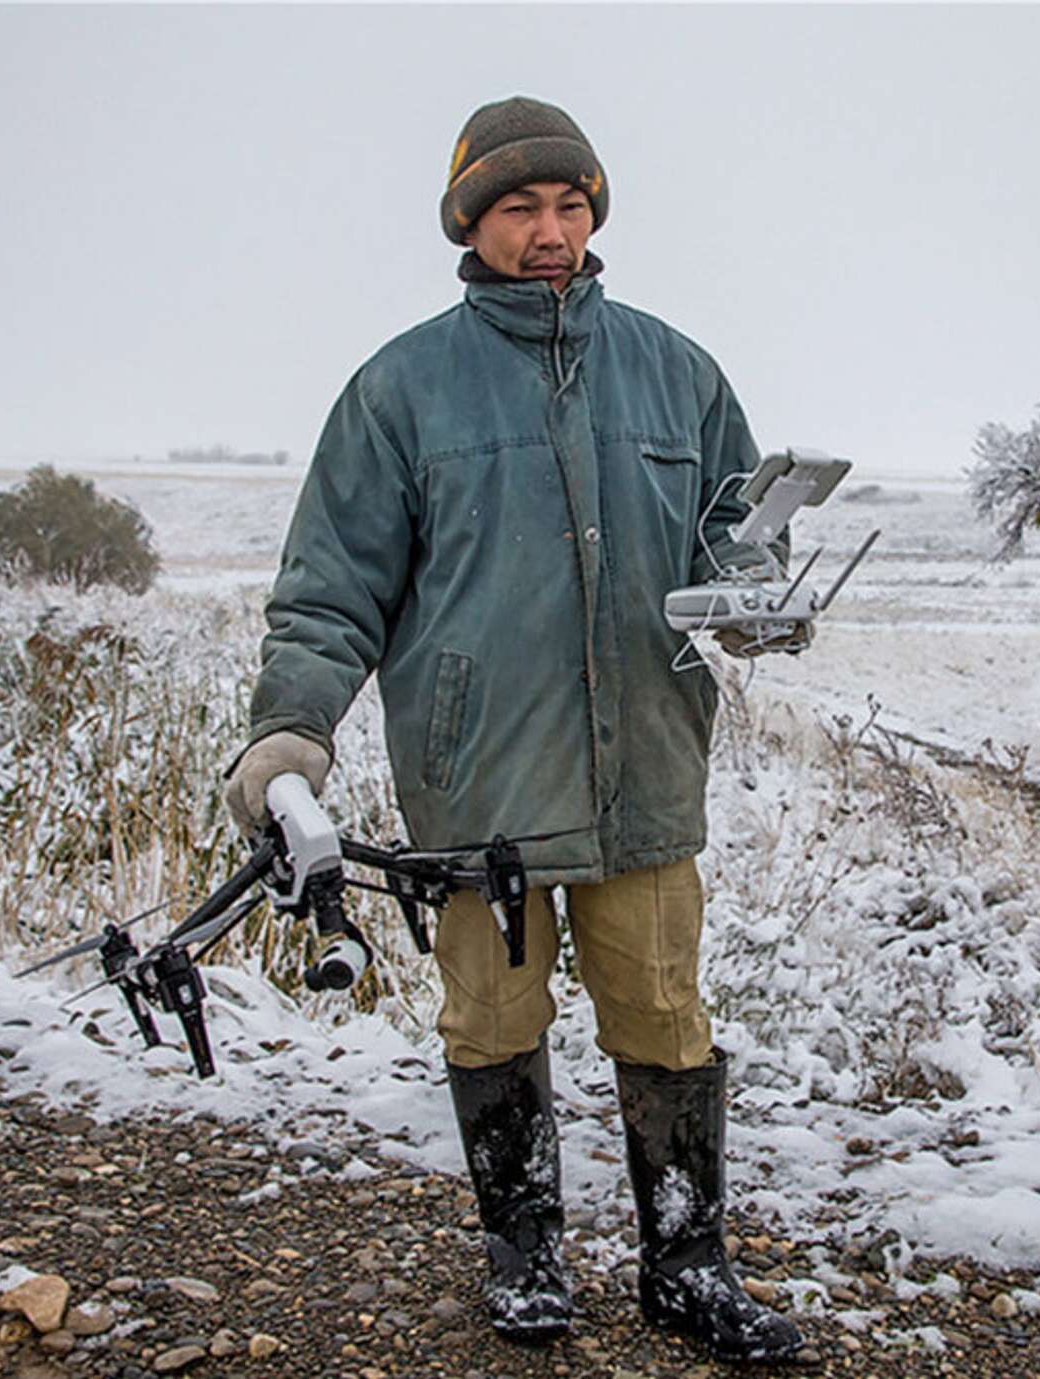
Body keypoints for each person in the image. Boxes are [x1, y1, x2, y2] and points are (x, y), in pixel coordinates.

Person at [222, 95, 806, 1364]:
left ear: (594, 211)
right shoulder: (399, 389)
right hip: (475, 789)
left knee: (662, 1011)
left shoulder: (678, 370)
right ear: (469, 222)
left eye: (568, 203)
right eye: (517, 208)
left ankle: (686, 1260)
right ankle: (525, 1250)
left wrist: (758, 594)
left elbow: (732, 540)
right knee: (491, 1019)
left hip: (644, 771)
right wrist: (290, 739)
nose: (548, 230)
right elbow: (329, 594)